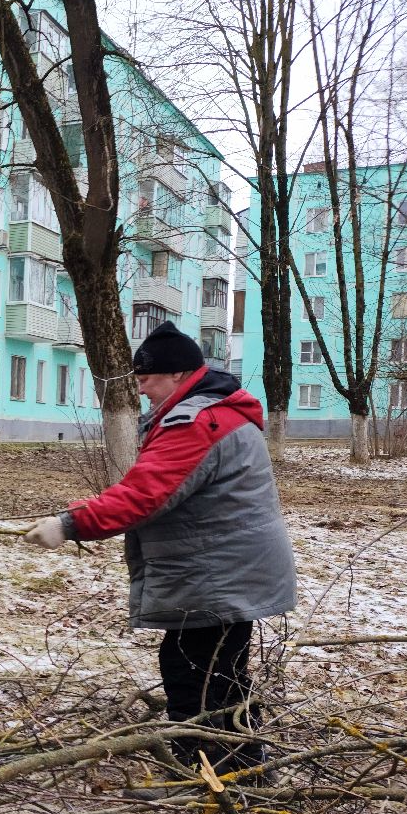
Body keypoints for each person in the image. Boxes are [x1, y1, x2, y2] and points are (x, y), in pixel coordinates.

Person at [24, 323, 295, 773]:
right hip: (225, 567)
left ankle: (215, 767)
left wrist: (70, 524)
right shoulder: (213, 413)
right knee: (218, 670)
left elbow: (148, 494)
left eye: (147, 379)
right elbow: (158, 486)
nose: (142, 388)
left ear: (178, 375)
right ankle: (235, 761)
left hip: (218, 571)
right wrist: (87, 509)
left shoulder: (196, 420)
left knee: (196, 671)